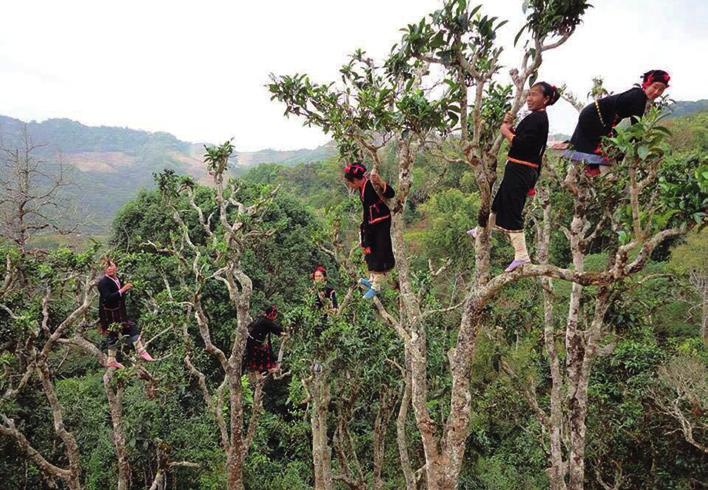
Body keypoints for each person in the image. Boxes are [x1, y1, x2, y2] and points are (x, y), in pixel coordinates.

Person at [468, 82, 560, 272]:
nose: (529, 98)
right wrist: (508, 125)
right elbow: (520, 137)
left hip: (521, 170)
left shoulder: (538, 119)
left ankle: (522, 256)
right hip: (519, 169)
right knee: (498, 203)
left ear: (546, 99)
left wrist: (505, 130)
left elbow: (521, 144)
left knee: (512, 213)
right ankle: (481, 231)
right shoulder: (536, 118)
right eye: (528, 94)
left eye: (534, 95)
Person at [563, 69, 670, 176]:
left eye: (661, 90)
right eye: (655, 87)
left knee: (591, 146)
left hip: (595, 115)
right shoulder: (638, 97)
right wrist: (639, 147)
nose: (656, 92)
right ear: (647, 84)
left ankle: (574, 176)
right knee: (601, 149)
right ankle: (600, 176)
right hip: (595, 116)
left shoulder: (640, 96)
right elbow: (636, 126)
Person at [343, 162, 396, 299]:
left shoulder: (371, 184)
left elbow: (391, 193)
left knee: (378, 253)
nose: (350, 186)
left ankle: (376, 286)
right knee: (369, 251)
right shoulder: (362, 188)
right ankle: (372, 280)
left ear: (354, 180)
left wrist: (380, 181)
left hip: (380, 223)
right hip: (371, 223)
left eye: (350, 183)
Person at [97, 258, 154, 369]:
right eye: (107, 267)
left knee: (130, 328)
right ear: (104, 269)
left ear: (116, 267)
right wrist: (123, 290)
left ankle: (140, 351)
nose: (110, 268)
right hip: (110, 314)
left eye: (111, 266)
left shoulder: (117, 279)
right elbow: (108, 298)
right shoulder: (103, 282)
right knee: (113, 334)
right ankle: (113, 360)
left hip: (120, 312)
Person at [244, 306, 284, 374]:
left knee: (258, 357)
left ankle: (259, 374)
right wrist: (286, 331)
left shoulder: (262, 318)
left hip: (251, 341)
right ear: (271, 315)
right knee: (265, 355)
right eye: (275, 316)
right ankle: (270, 369)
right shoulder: (266, 322)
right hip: (254, 343)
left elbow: (275, 329)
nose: (275, 318)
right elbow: (277, 329)